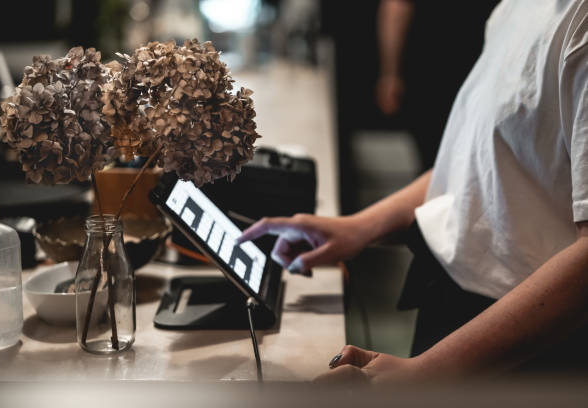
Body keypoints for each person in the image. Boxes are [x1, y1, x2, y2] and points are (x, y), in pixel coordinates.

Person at [238, 0, 588, 383]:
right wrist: (358, 227)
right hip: (457, 311)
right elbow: (474, 164)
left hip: (514, 345)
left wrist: (429, 371)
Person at [376, 0, 498, 171]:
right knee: (475, 160)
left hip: (430, 72)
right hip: (481, 71)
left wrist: (390, 74)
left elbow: (396, 8)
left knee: (435, 163)